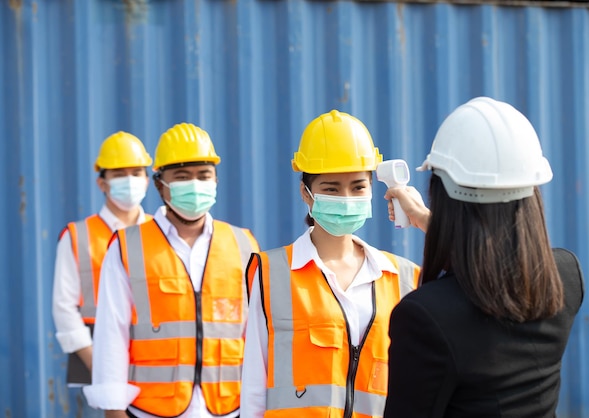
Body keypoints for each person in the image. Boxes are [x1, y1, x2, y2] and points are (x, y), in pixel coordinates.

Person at [382, 97, 585, 417]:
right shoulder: (566, 277)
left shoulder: (425, 317)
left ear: (445, 197)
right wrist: (426, 219)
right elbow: (493, 267)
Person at [240, 110, 421, 418]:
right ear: (306, 193)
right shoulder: (271, 273)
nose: (347, 198)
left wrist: (427, 220)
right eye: (331, 188)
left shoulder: (404, 277)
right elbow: (255, 386)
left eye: (358, 186)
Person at [83, 122, 260, 418]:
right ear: (159, 184)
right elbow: (111, 332)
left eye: (204, 175)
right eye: (182, 176)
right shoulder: (128, 246)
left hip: (230, 408)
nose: (195, 184)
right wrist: (113, 409)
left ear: (215, 180)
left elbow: (256, 335)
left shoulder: (243, 243)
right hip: (151, 410)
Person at [52, 131, 153, 416]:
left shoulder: (160, 232)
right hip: (94, 354)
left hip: (154, 355)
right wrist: (102, 367)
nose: (130, 180)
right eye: (120, 173)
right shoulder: (77, 236)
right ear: (102, 183)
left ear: (147, 180)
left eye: (136, 172)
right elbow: (63, 308)